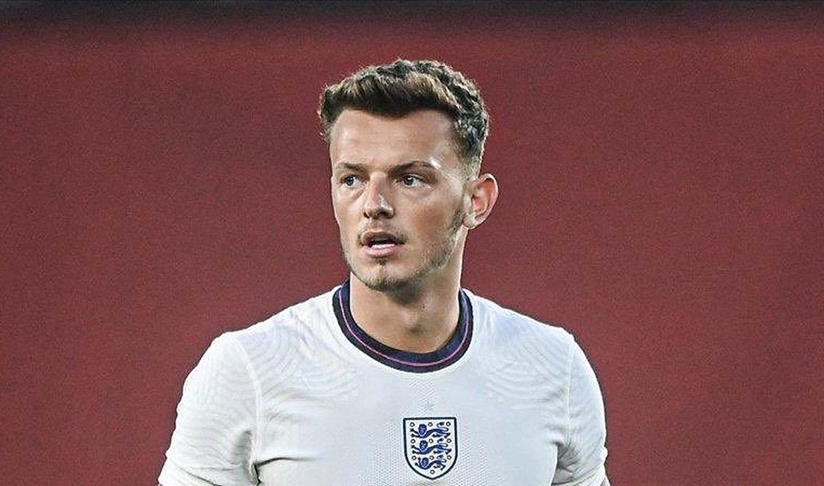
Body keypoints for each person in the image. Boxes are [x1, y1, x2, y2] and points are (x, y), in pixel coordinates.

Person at [158, 59, 609, 485]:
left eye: (410, 179)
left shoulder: (555, 369)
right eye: (352, 179)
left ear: (476, 201)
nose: (374, 205)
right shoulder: (247, 372)